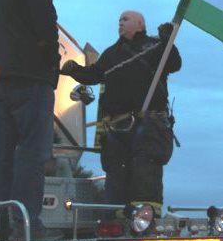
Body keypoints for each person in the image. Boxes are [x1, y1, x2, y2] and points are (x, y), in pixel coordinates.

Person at [61, 11, 181, 217]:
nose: (120, 23)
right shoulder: (111, 54)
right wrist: (74, 70)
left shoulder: (155, 47)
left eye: (125, 19)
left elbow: (174, 64)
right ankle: (116, 220)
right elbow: (95, 75)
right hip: (117, 128)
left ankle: (144, 219)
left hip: (148, 124)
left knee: (145, 173)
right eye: (119, 20)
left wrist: (168, 40)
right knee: (116, 176)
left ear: (140, 23)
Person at [0, 0, 60, 241]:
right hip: (31, 79)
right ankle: (26, 223)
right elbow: (45, 29)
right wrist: (52, 63)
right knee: (32, 153)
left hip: (2, 84)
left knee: (1, 154)